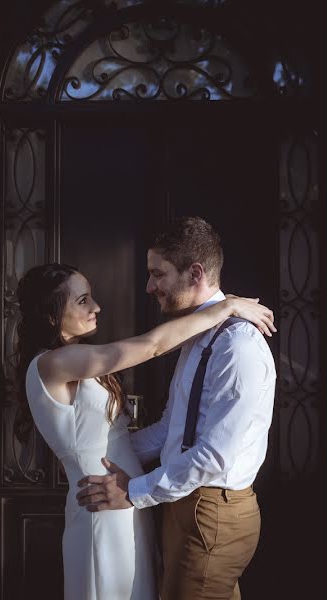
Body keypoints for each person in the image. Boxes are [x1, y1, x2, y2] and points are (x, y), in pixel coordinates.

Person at [17, 262, 275, 600]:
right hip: (102, 504)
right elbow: (152, 346)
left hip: (122, 497)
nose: (96, 307)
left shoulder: (75, 359)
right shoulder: (52, 363)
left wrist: (138, 488)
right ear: (51, 315)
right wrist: (226, 306)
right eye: (82, 301)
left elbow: (115, 438)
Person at [77, 217, 278, 600]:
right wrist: (109, 452)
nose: (150, 287)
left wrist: (134, 491)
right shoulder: (197, 336)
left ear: (195, 273)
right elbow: (175, 427)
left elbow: (213, 457)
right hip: (185, 503)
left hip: (212, 511)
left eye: (158, 274)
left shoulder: (238, 347)